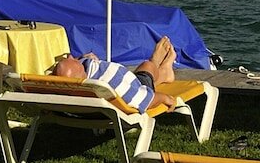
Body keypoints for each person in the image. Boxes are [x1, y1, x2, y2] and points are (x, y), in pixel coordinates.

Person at [51, 36, 180, 113]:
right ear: (82, 73)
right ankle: (161, 68)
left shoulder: (69, 90)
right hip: (136, 87)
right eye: (74, 60)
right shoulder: (108, 84)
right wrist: (165, 98)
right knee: (148, 66)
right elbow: (144, 99)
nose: (71, 55)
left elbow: (71, 73)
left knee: (145, 69)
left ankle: (162, 71)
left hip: (124, 84)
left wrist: (85, 59)